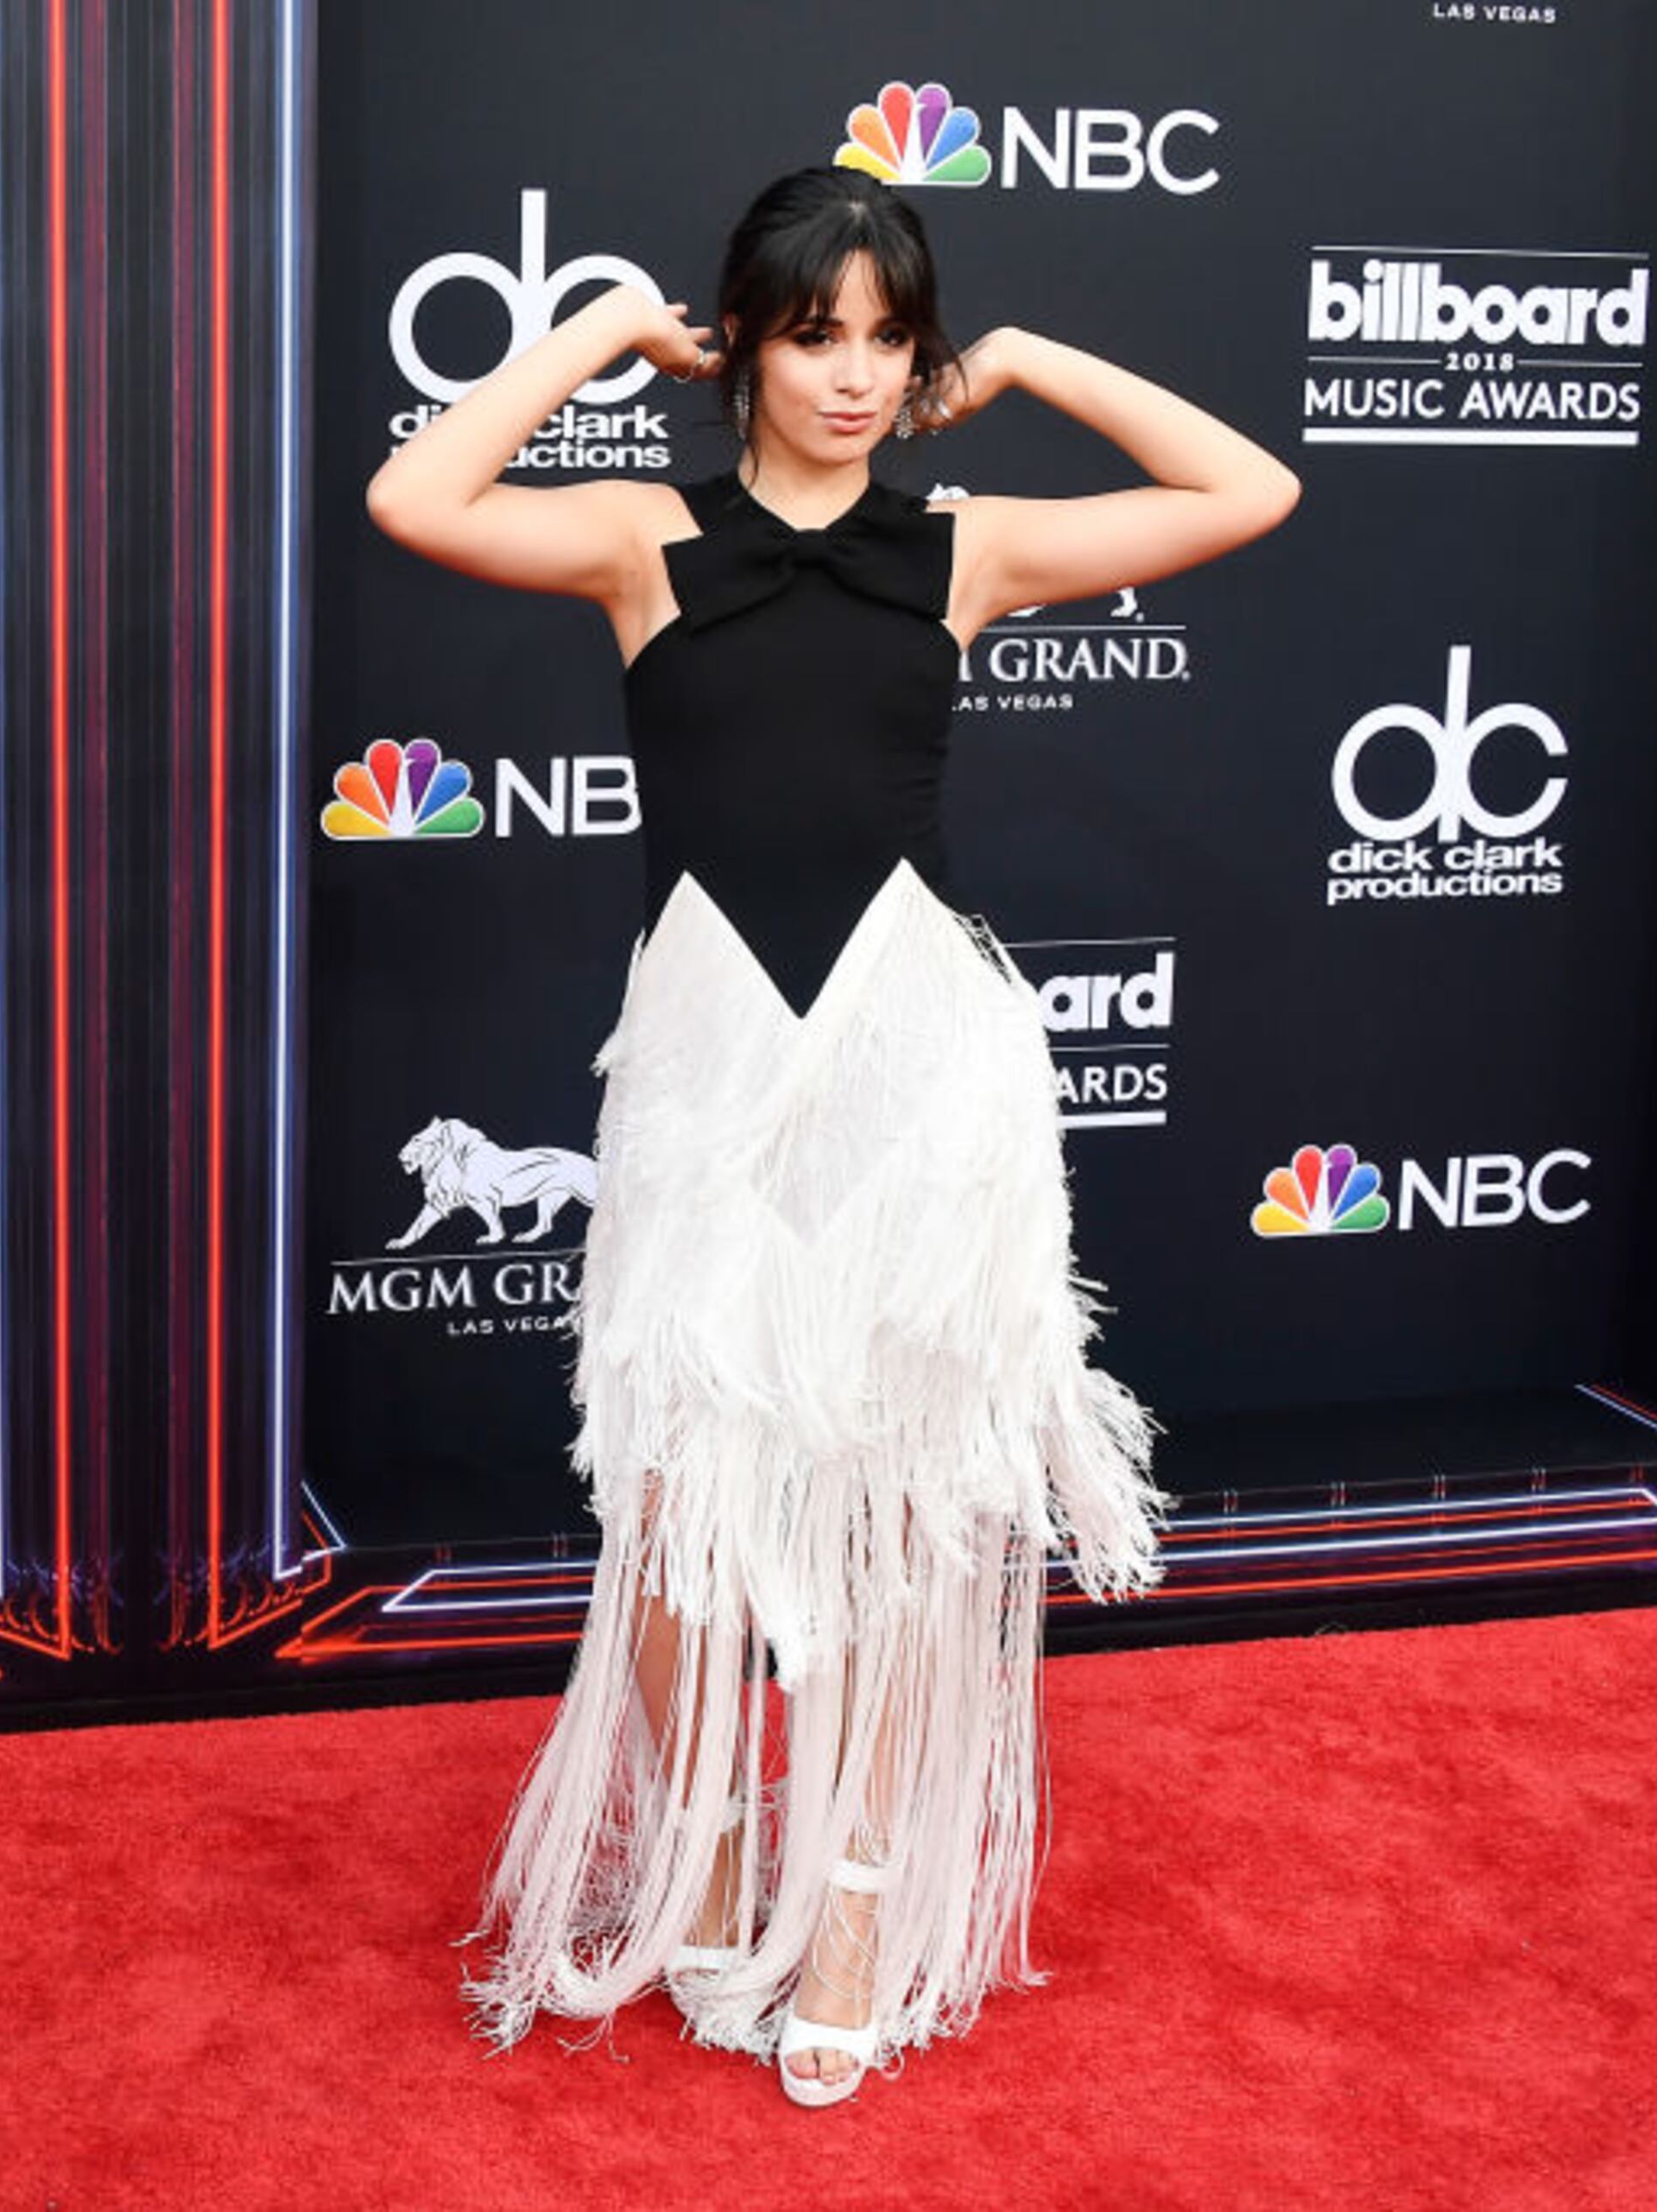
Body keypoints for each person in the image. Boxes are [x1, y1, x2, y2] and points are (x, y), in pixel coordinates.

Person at [366, 166, 1299, 2107]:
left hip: (912, 1061)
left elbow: (1248, 489)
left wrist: (1029, 361)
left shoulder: (958, 549)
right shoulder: (645, 538)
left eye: (891, 333)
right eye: (815, 334)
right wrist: (609, 336)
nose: (858, 374)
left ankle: (855, 1906)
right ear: (745, 342)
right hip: (706, 1056)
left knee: (879, 1521)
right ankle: (708, 1857)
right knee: (684, 1497)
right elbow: (415, 498)